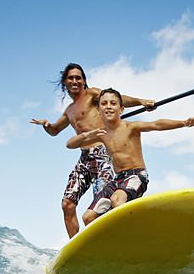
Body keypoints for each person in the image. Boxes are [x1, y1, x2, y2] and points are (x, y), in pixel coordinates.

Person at [30, 63, 154, 238]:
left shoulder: (92, 95)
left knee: (102, 203)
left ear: (84, 81)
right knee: (67, 204)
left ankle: (119, 237)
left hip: (103, 153)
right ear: (65, 82)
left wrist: (141, 102)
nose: (75, 81)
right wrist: (46, 125)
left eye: (78, 77)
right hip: (84, 158)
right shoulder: (69, 111)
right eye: (71, 78)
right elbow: (55, 130)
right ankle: (78, 248)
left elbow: (119, 99)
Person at [65, 87, 194, 225]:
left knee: (117, 200)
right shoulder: (101, 135)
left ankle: (136, 231)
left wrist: (184, 123)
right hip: (118, 180)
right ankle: (109, 243)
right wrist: (88, 135)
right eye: (104, 103)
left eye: (113, 103)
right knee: (88, 217)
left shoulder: (130, 127)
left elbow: (157, 124)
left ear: (121, 109)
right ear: (99, 110)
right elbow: (70, 144)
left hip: (136, 176)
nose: (108, 107)